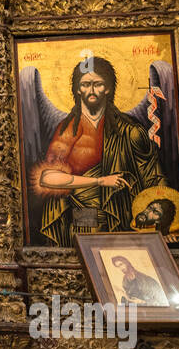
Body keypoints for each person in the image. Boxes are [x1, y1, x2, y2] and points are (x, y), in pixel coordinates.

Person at [31, 57, 166, 245]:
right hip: (82, 213)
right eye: (85, 84)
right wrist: (101, 181)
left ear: (108, 88)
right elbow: (47, 177)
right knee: (89, 240)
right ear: (78, 89)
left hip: (122, 213)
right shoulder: (68, 130)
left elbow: (153, 178)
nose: (92, 91)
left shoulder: (130, 131)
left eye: (98, 84)